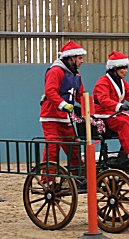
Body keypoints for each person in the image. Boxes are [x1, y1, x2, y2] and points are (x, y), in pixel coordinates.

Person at [39, 40, 86, 177]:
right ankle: (48, 179)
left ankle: (78, 176)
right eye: (80, 58)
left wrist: (95, 104)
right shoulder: (55, 71)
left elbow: (80, 95)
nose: (82, 61)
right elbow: (50, 91)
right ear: (71, 58)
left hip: (66, 118)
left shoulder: (76, 75)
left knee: (74, 149)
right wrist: (62, 104)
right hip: (51, 116)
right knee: (52, 149)